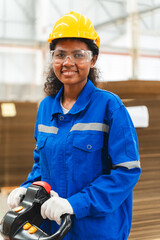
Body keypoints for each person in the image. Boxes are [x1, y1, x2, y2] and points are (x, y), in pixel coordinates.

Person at [7, 11, 141, 240]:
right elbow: (42, 166)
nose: (68, 63)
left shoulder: (110, 107)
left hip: (97, 231)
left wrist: (74, 204)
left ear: (93, 59)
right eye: (60, 55)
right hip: (52, 229)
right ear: (52, 59)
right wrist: (26, 188)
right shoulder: (46, 108)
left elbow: (126, 173)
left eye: (78, 55)